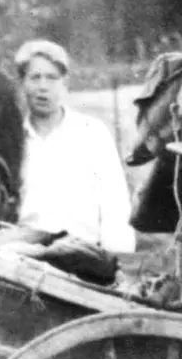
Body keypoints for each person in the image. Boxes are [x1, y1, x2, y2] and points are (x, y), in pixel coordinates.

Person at [14, 39, 136, 255]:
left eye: (52, 78)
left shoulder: (92, 133)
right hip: (23, 258)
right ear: (22, 83)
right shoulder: (13, 139)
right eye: (35, 77)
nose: (43, 87)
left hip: (81, 259)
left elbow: (115, 207)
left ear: (65, 83)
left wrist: (117, 262)